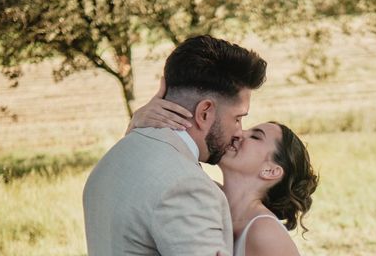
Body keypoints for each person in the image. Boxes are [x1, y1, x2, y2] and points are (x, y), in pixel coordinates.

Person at [83, 35, 267, 256]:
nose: (239, 132)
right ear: (205, 113)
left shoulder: (115, 157)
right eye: (237, 118)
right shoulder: (187, 187)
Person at [130, 93, 319, 255]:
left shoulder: (265, 232)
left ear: (270, 171)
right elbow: (137, 173)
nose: (238, 133)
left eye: (255, 136)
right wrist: (138, 122)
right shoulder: (201, 191)